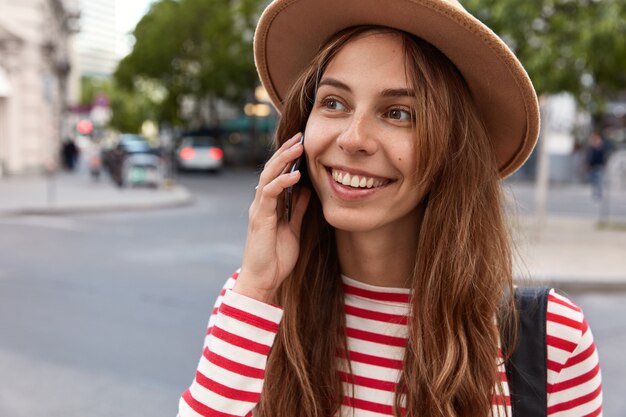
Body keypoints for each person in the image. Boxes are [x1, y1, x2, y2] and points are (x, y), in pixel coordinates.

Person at [179, 1, 603, 416]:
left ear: (454, 151)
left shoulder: (551, 340)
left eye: (398, 113)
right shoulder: (251, 305)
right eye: (333, 103)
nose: (352, 138)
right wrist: (256, 289)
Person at [586, 131, 608, 200]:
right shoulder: (592, 149)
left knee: (599, 181)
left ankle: (599, 194)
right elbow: (590, 158)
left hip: (599, 166)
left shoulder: (601, 149)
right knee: (594, 181)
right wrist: (588, 165)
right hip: (593, 167)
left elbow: (604, 158)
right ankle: (595, 194)